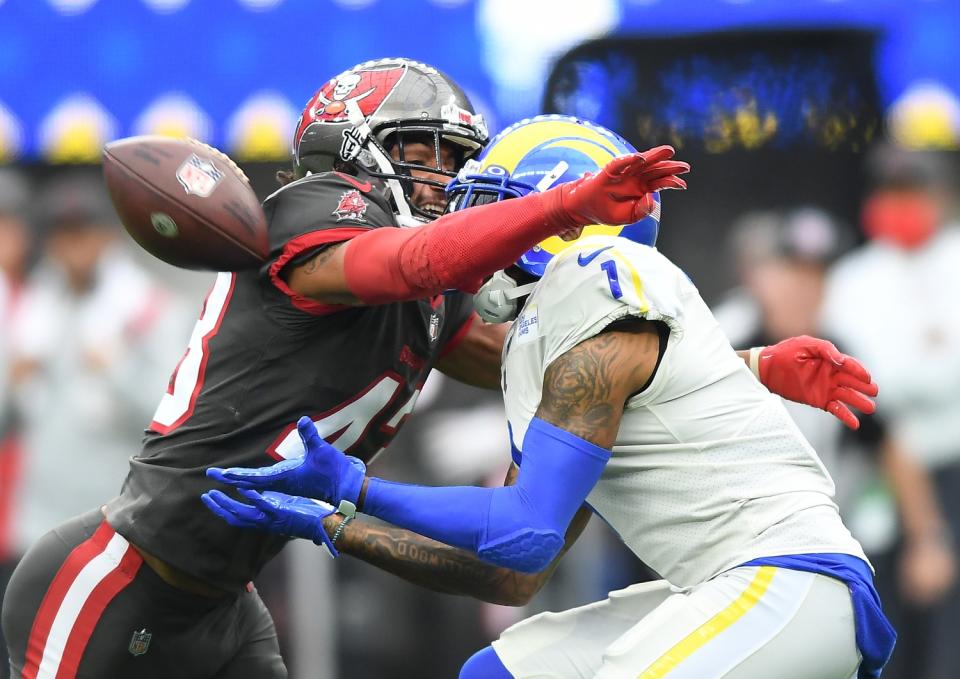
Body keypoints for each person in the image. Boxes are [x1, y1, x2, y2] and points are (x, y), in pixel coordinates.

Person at [1, 60, 689, 679]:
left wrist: (743, 366)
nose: (447, 177)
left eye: (456, 157)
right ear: (356, 148)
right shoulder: (316, 210)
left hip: (227, 606)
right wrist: (561, 206)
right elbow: (411, 261)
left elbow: (554, 366)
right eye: (425, 151)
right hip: (121, 575)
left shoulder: (437, 299)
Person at [202, 116, 894, 679]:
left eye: (500, 200)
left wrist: (355, 487)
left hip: (792, 579)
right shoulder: (548, 341)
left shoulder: (601, 281)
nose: (474, 221)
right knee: (496, 672)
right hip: (723, 585)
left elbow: (522, 528)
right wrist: (334, 525)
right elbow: (511, 573)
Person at [820, 146, 960, 679]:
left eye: (913, 193)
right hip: (880, 469)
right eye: (892, 193)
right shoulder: (853, 277)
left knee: (950, 622)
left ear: (939, 197)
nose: (902, 204)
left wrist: (915, 371)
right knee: (884, 613)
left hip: (952, 463)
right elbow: (864, 377)